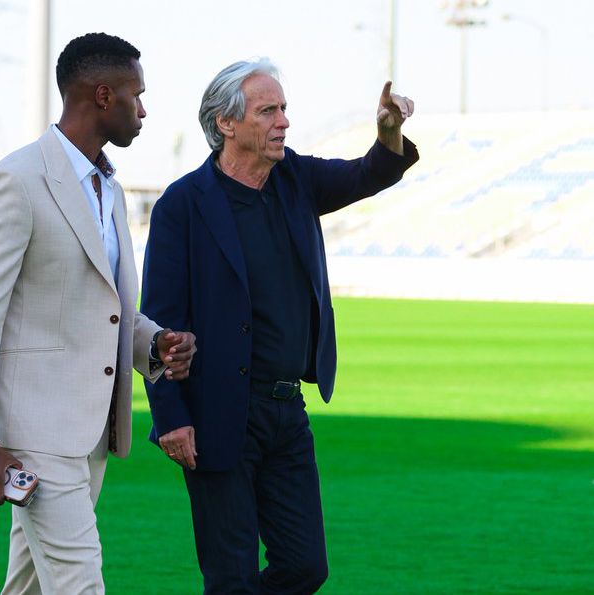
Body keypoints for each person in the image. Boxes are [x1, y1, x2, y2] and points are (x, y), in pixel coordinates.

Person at [140, 59, 418, 594]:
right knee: (231, 576)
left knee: (305, 566)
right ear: (226, 122)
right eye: (269, 111)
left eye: (284, 109)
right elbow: (160, 323)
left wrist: (389, 133)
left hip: (287, 412)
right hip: (216, 410)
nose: (283, 122)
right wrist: (171, 417)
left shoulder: (297, 179)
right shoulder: (184, 204)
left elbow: (368, 174)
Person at [0, 33, 196, 594]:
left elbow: (105, 310)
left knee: (31, 587)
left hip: (89, 434)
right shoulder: (15, 182)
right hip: (33, 436)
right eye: (137, 95)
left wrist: (154, 344)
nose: (145, 110)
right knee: (80, 583)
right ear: (102, 96)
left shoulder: (109, 189)